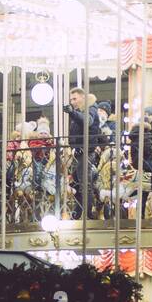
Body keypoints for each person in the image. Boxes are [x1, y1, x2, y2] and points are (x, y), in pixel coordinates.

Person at [63, 87, 99, 219]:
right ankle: (79, 211)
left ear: (83, 97)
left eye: (74, 98)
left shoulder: (91, 109)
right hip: (78, 151)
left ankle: (87, 214)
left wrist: (72, 113)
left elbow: (87, 122)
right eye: (71, 99)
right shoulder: (81, 111)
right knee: (77, 182)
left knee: (85, 183)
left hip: (85, 151)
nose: (72, 101)